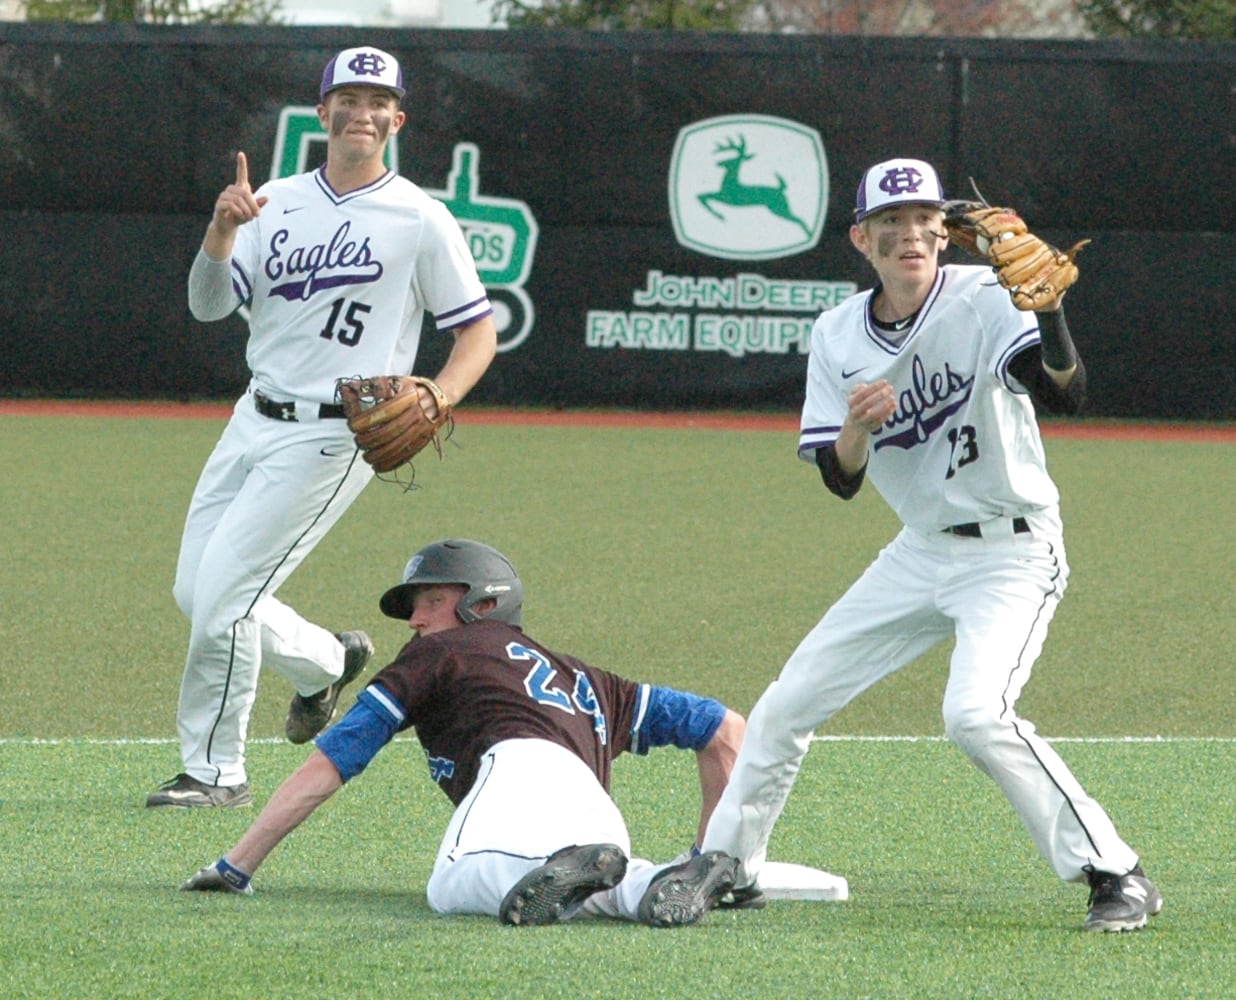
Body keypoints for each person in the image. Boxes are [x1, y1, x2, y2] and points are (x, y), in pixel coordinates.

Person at [701, 157, 1163, 933]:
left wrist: (1049, 314)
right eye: (891, 224)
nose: (910, 234)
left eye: (923, 222)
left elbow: (1061, 390)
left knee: (975, 714)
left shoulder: (986, 296)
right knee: (788, 702)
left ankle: (1114, 870)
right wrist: (855, 427)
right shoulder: (838, 332)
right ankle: (731, 865)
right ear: (863, 240)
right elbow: (838, 477)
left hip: (1012, 549)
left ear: (944, 237)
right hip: (919, 551)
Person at [148, 46, 498, 809]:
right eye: (348, 97)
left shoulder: (420, 217)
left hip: (335, 434)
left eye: (378, 101)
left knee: (224, 601)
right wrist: (219, 232)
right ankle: (323, 662)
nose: (362, 112)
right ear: (323, 114)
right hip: (253, 416)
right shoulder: (273, 200)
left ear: (397, 120)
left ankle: (216, 773)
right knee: (192, 590)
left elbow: (477, 332)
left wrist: (438, 394)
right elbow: (208, 305)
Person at [180, 539, 745, 927]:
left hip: (511, 775)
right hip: (593, 808)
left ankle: (597, 869)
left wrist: (237, 864)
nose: (415, 621)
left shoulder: (436, 654)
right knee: (606, 888)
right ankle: (673, 879)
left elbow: (330, 762)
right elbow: (725, 730)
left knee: (450, 884)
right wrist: (719, 848)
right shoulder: (588, 678)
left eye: (431, 601)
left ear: (487, 603)